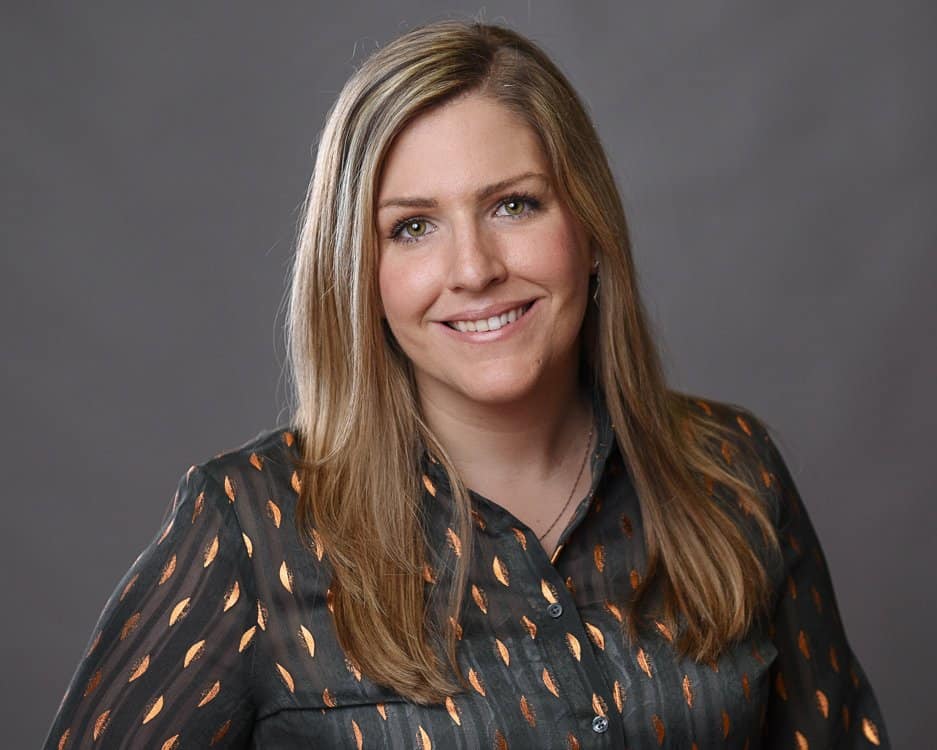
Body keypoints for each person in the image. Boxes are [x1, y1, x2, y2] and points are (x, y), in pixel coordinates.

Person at [42, 19, 890, 749]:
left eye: (513, 205)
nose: (474, 269)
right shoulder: (249, 531)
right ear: (355, 273)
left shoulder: (730, 469)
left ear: (588, 227)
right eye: (411, 227)